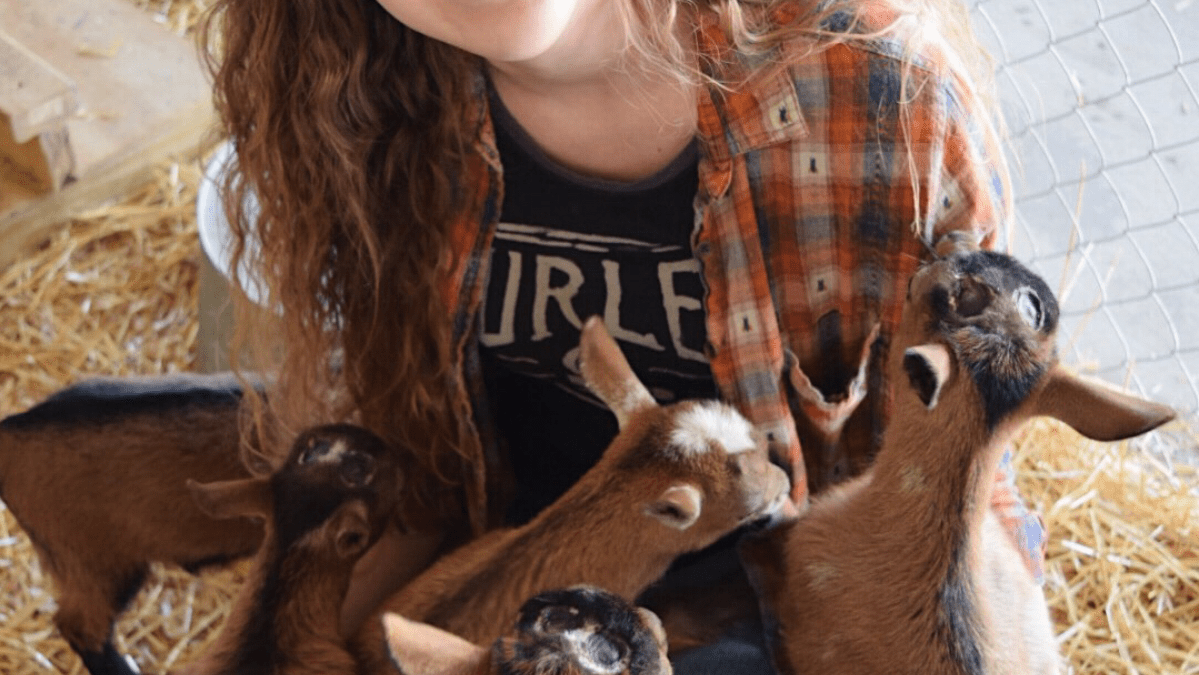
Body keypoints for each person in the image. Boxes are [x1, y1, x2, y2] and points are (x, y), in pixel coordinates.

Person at [198, 0, 1046, 669]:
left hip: (786, 595)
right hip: (511, 555)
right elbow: (414, 462)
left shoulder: (881, 92)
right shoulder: (355, 98)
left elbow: (956, 494)